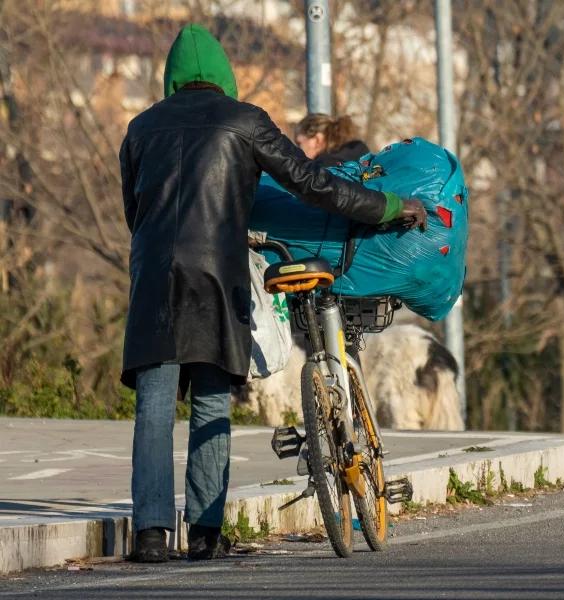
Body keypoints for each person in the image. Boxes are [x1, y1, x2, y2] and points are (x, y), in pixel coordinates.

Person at [118, 24, 426, 563]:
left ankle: (149, 534)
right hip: (219, 275)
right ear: (224, 77)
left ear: (170, 79)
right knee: (213, 400)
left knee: (155, 405)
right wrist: (387, 207)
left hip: (154, 278)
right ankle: (206, 533)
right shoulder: (244, 120)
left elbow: (134, 212)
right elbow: (312, 183)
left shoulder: (140, 129)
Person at [294, 113, 371, 167]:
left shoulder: (323, 168)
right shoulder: (359, 151)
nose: (297, 149)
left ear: (317, 140)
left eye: (299, 143)